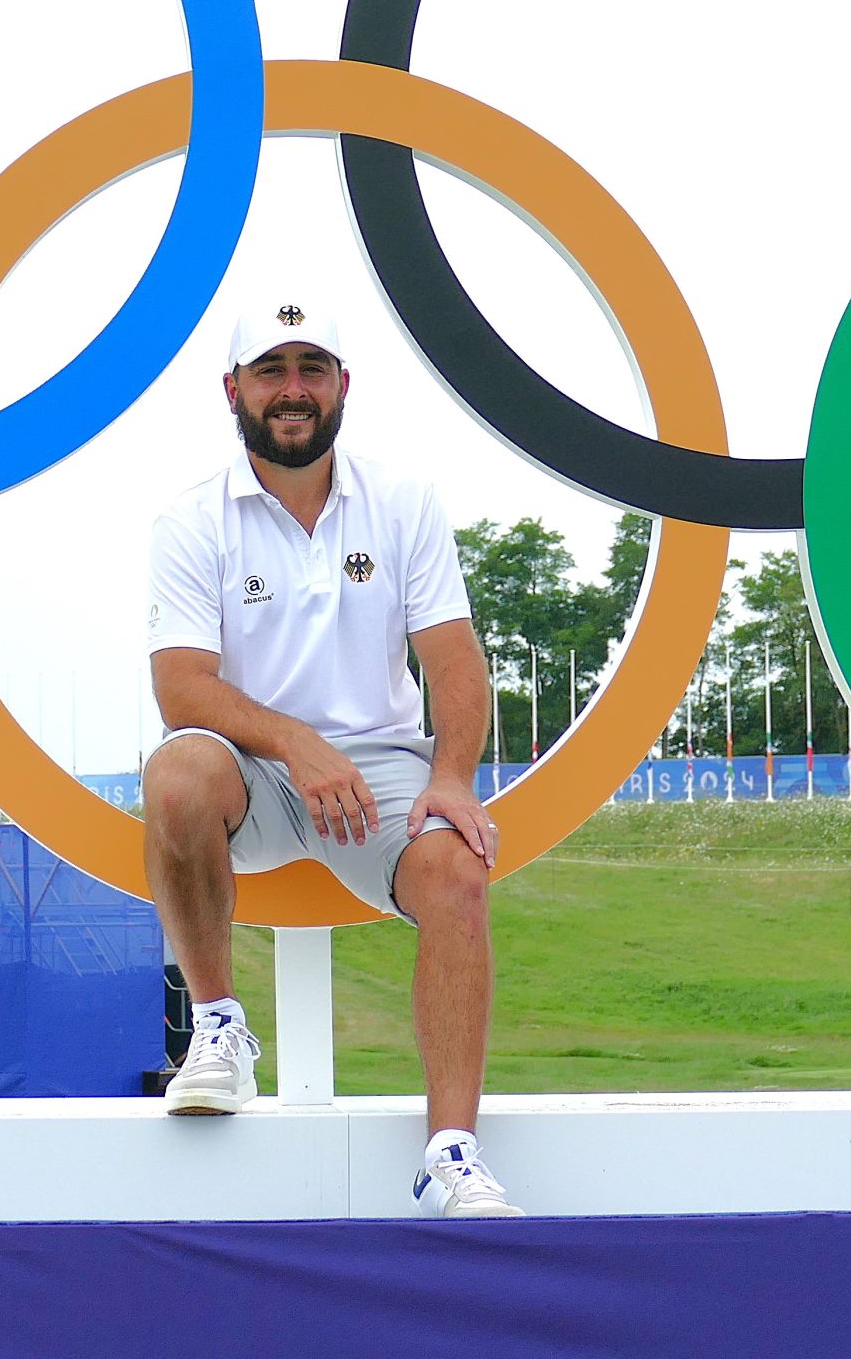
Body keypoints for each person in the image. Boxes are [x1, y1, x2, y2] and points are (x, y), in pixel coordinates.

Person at [141, 301, 520, 1217]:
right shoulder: (193, 519)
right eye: (271, 370)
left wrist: (450, 778)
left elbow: (455, 659)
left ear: (344, 385)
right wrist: (297, 743)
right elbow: (182, 689)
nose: (293, 390)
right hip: (253, 771)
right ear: (232, 390)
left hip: (383, 770)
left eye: (314, 368)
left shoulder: (402, 501)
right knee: (177, 770)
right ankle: (220, 1030)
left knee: (457, 872)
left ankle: (449, 1153)